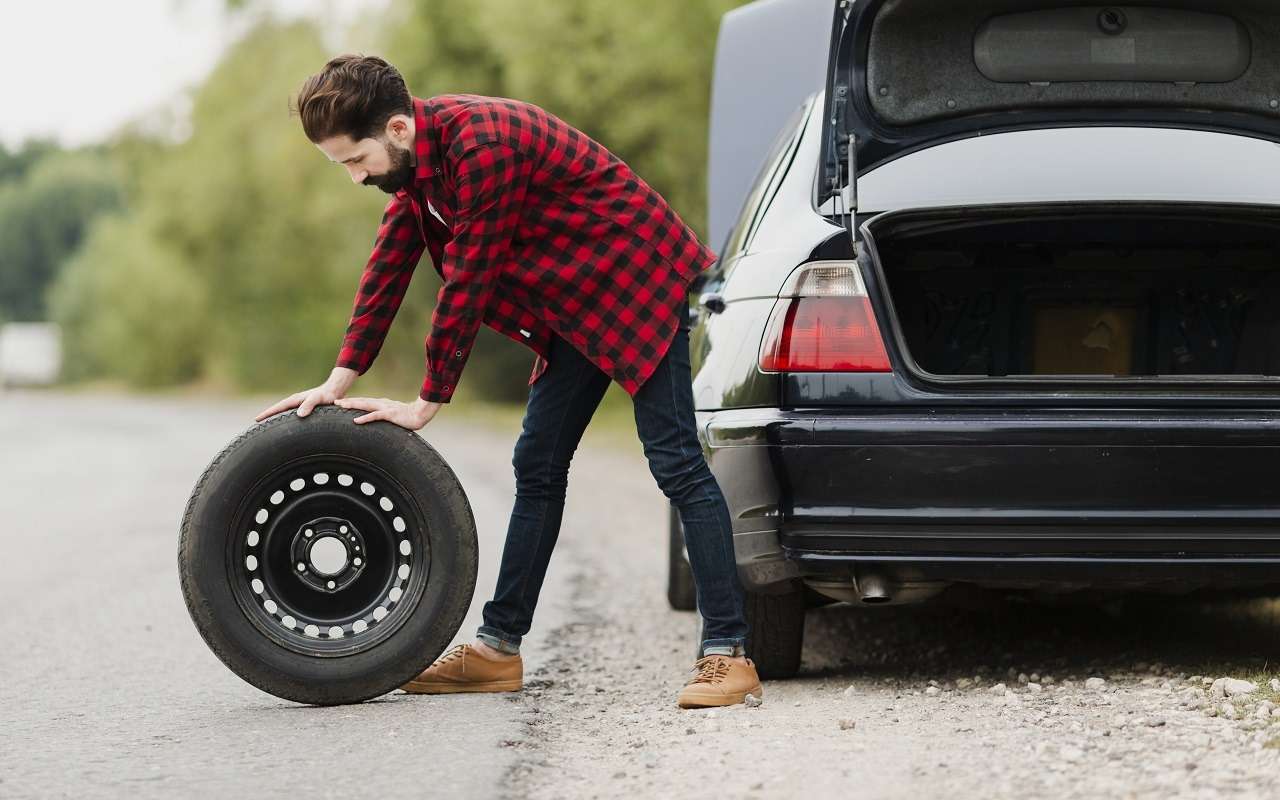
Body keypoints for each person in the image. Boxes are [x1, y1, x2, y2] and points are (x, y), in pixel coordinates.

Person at [255, 54, 760, 709]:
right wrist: (337, 379)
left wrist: (429, 399)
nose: (355, 177)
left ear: (399, 130)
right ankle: (497, 652)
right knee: (538, 463)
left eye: (355, 160)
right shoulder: (418, 170)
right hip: (577, 302)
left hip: (636, 276)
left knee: (676, 463)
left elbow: (471, 277)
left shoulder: (482, 147)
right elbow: (388, 268)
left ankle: (729, 654)